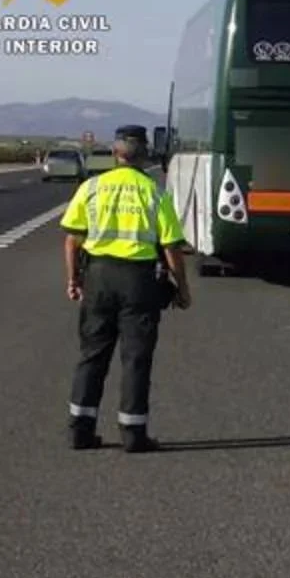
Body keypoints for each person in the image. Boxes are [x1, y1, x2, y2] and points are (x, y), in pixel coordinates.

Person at [58, 125, 191, 453]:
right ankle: (133, 434)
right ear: (144, 154)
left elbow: (73, 240)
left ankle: (80, 431)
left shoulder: (92, 187)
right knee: (136, 358)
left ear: (115, 154)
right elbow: (172, 246)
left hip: (99, 277)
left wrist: (74, 280)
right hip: (139, 281)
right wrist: (182, 287)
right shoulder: (154, 192)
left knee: (92, 355)